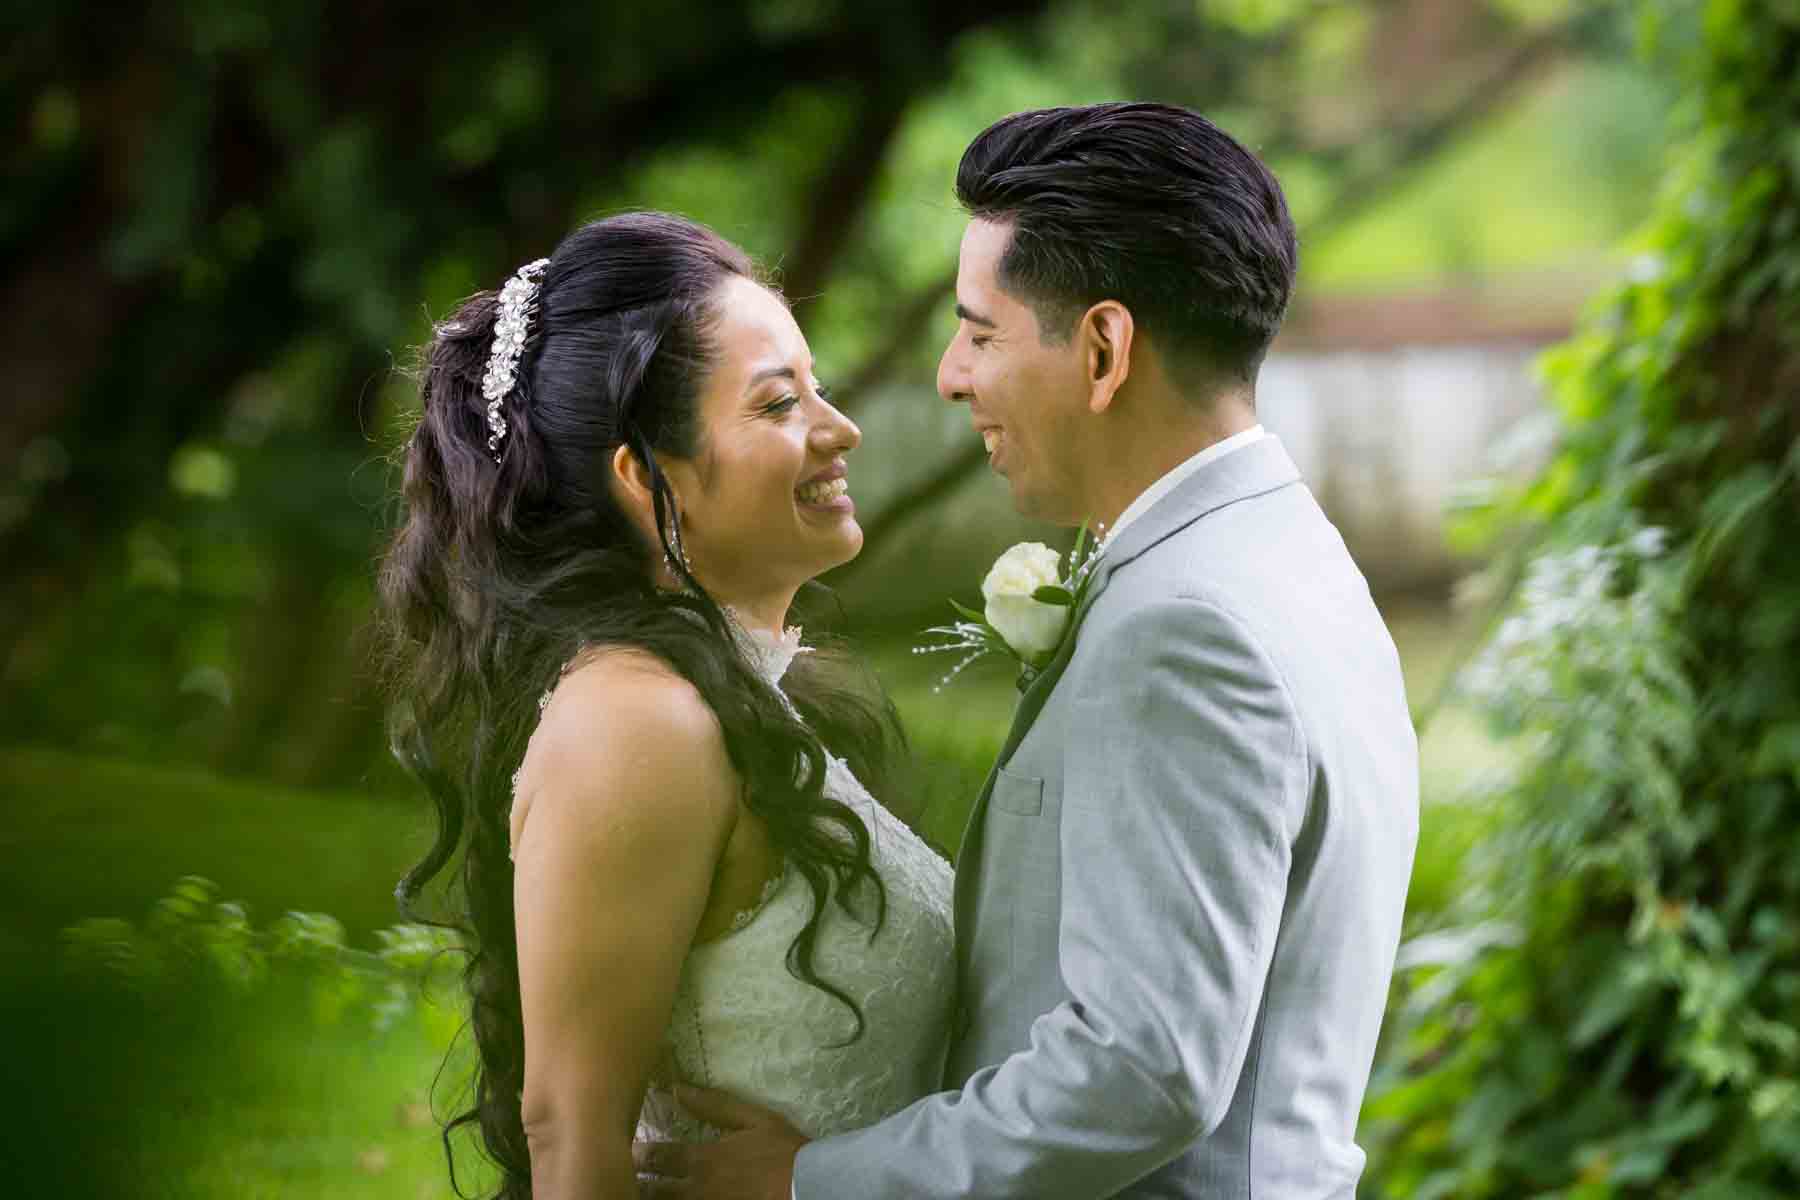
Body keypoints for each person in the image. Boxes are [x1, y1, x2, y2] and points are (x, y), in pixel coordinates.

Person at [641, 102, 1420, 1199]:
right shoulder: (1289, 553)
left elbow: (1140, 1070)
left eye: (982, 332)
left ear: (1103, 348)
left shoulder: (1184, 628)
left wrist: (814, 1181)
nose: (953, 374)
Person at [377, 211, 956, 1200]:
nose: (838, 428)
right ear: (646, 481)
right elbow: (572, 1137)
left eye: (815, 389)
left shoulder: (734, 700)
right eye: (779, 405)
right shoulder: (638, 724)